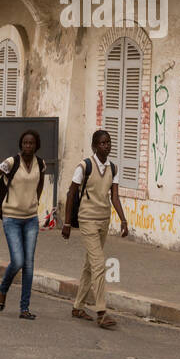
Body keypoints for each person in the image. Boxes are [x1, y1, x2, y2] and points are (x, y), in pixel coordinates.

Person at [62, 129, 128, 329]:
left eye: (108, 142)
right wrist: (66, 223)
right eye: (102, 143)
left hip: (103, 221)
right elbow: (71, 194)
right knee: (99, 263)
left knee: (90, 265)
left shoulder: (113, 168)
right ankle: (101, 312)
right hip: (87, 219)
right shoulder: (84, 166)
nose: (106, 146)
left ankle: (78, 306)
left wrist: (123, 220)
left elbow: (114, 197)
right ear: (94, 146)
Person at [0, 129, 46, 319]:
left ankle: (24, 308)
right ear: (21, 144)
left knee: (29, 264)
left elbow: (39, 184)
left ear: (36, 145)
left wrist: (35, 201)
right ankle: (3, 289)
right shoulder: (11, 163)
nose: (28, 146)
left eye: (32, 143)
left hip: (31, 219)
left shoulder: (40, 164)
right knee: (18, 260)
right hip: (11, 218)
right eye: (25, 143)